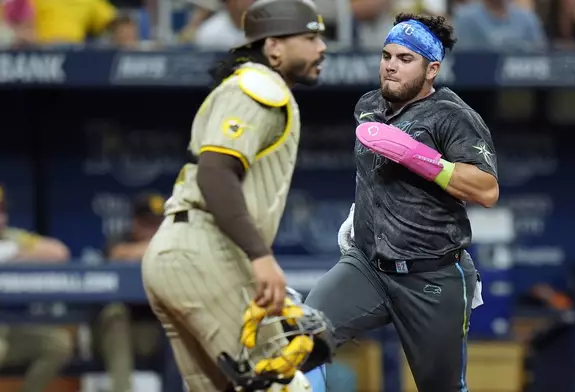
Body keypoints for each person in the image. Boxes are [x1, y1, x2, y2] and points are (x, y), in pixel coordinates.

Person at [304, 13, 499, 392]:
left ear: (431, 69)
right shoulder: (368, 105)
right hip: (368, 266)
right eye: (387, 55)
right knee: (303, 334)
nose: (391, 66)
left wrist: (419, 158)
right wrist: (363, 214)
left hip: (431, 274)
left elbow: (487, 189)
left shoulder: (453, 117)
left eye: (405, 59)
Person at [140, 0, 328, 391]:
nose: (321, 47)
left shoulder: (250, 85)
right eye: (309, 38)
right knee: (280, 383)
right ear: (274, 47)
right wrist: (260, 256)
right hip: (205, 250)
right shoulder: (258, 85)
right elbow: (216, 172)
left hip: (181, 252)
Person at [0, 185, 74, 392]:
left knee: (58, 343)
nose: (0, 217)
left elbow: (58, 252)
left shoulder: (13, 238)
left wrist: (11, 252)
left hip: (11, 328)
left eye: (2, 210)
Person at [96, 193, 165, 392]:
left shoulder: (170, 241)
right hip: (113, 337)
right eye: (147, 224)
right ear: (135, 222)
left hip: (151, 333)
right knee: (115, 314)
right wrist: (154, 249)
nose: (152, 231)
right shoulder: (118, 240)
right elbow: (116, 253)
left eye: (157, 224)